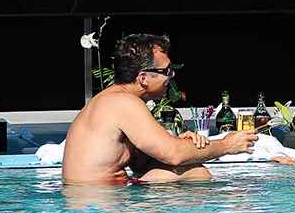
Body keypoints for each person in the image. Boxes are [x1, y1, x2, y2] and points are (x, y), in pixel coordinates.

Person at [62, 33, 256, 184]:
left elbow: (143, 160)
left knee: (190, 171)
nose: (171, 77)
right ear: (143, 78)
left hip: (90, 202)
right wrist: (227, 145)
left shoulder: (107, 100)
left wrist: (177, 142)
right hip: (101, 207)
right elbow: (174, 155)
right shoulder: (124, 103)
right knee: (196, 173)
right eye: (166, 71)